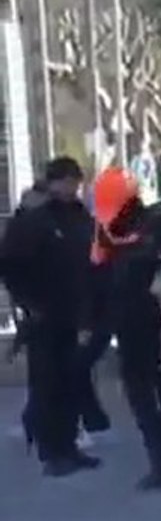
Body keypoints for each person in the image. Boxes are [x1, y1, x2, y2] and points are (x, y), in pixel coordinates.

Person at [91, 167, 161, 490]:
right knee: (142, 395)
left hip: (160, 322)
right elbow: (98, 277)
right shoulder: (105, 233)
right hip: (127, 326)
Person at [0, 158, 101, 476]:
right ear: (54, 183)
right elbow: (10, 264)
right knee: (47, 385)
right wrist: (27, 303)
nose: (71, 189)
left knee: (73, 382)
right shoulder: (35, 221)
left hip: (76, 315)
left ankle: (69, 446)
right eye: (66, 182)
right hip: (44, 316)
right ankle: (51, 451)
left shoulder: (81, 218)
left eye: (76, 182)